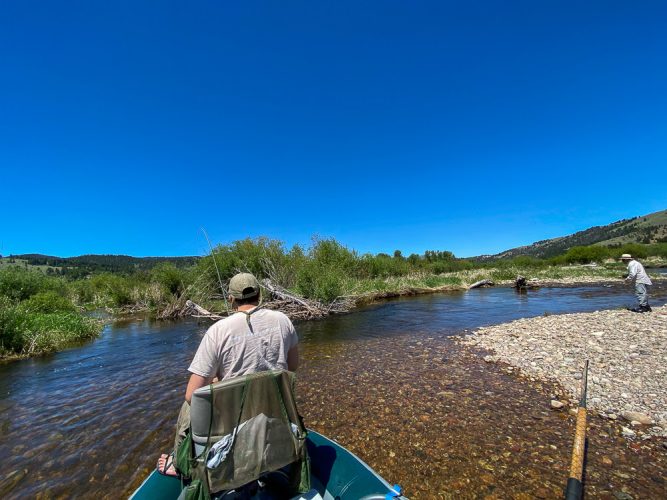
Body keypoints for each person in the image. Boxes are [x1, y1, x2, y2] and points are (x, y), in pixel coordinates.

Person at [157, 272, 299, 476]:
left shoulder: (217, 331)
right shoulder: (283, 320)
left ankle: (181, 464)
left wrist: (217, 381)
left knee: (187, 407)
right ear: (259, 296)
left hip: (234, 418)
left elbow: (192, 395)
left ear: (231, 299)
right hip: (273, 408)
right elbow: (292, 366)